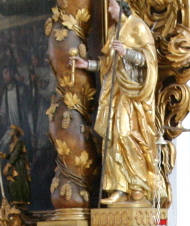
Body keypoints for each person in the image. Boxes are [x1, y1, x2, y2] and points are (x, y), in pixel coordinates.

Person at [69, 0, 161, 204]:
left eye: (111, 5)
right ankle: (120, 186)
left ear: (122, 5)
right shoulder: (113, 31)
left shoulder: (137, 26)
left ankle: (138, 185)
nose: (109, 9)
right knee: (112, 138)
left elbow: (149, 60)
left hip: (132, 94)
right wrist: (88, 64)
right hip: (115, 92)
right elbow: (107, 65)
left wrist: (126, 52)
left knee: (127, 134)